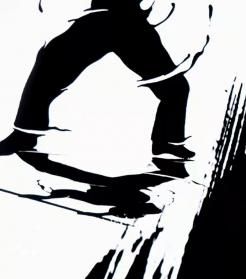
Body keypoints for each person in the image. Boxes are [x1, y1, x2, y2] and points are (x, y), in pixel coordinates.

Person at [0, 0, 194, 160]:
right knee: (47, 64)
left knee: (176, 87)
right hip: (103, 17)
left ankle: (167, 142)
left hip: (129, 21)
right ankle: (24, 134)